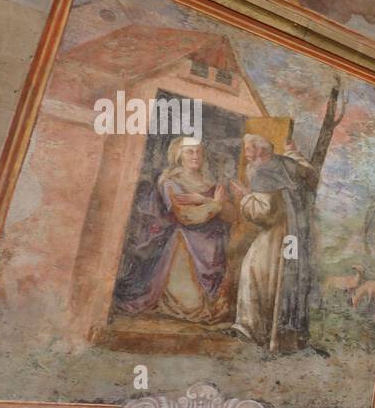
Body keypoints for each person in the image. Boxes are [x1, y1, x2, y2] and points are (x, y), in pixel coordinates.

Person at [113, 138, 235, 323]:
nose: (196, 156)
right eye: (190, 151)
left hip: (214, 246)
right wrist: (215, 204)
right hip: (186, 246)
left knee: (218, 305)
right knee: (191, 306)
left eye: (199, 151)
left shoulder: (211, 183)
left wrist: (206, 201)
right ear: (179, 155)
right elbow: (186, 216)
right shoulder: (170, 182)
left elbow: (232, 215)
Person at [228, 132, 318, 351]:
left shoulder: (261, 173)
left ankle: (253, 328)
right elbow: (311, 176)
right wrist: (293, 153)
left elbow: (265, 212)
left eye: (249, 149)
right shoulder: (287, 163)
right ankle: (285, 336)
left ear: (261, 150)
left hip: (278, 233)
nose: (247, 154)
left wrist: (246, 197)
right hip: (298, 232)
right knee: (288, 277)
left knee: (255, 270)